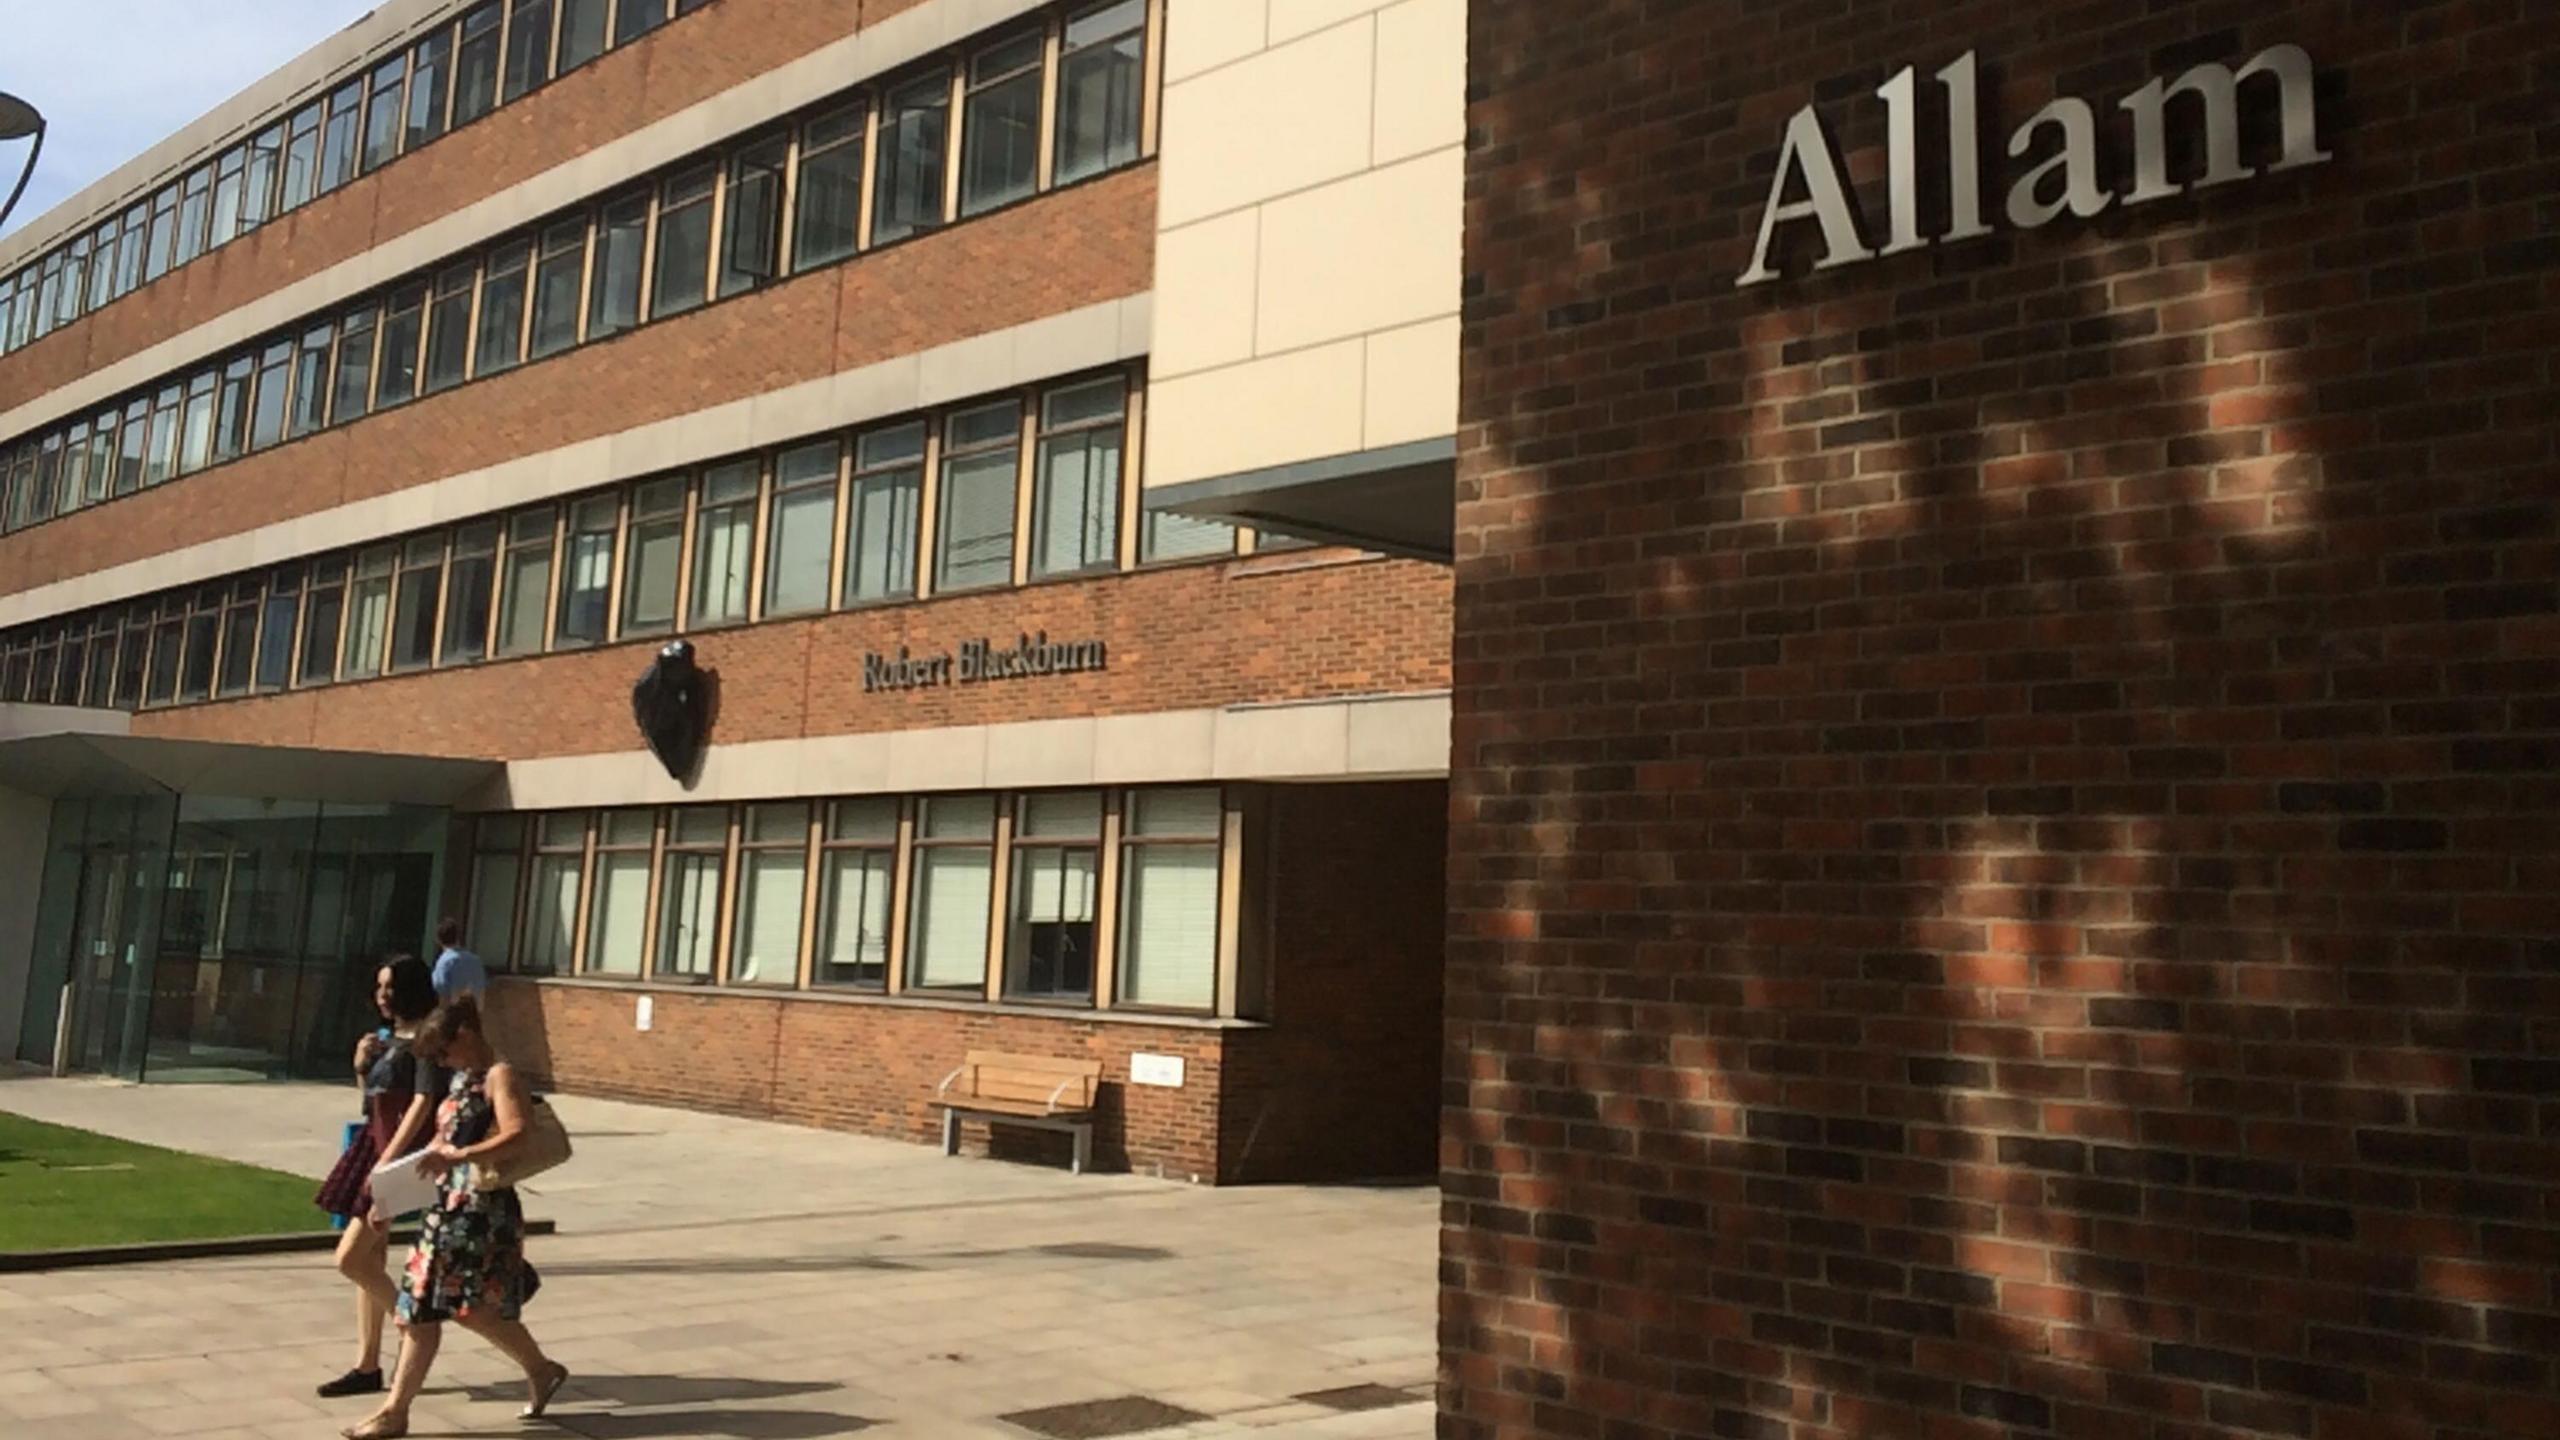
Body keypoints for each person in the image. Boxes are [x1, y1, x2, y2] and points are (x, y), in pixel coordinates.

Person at [343, 994, 567, 1440]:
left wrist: (460, 1155)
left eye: (444, 1051)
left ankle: (540, 1370)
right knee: (424, 1310)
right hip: (447, 1208)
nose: (443, 1061)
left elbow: (517, 1134)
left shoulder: (499, 1076)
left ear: (464, 1036)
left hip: (481, 1213)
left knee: (471, 1311)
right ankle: (396, 1412)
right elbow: (439, 1150)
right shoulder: (464, 1078)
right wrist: (387, 1199)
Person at [310, 955, 443, 1400]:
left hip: (396, 1156)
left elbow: (424, 1102)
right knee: (371, 1260)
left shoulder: (426, 1038)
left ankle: (412, 1326)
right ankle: (368, 1364)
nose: (381, 995)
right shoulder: (391, 1039)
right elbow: (372, 1102)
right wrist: (361, 1065)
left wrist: (389, 1160)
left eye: (389, 987)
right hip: (373, 1145)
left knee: (349, 1257)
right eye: (378, 987)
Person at [429, 917, 486, 1000]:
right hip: (473, 1010)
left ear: (438, 940)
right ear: (458, 937)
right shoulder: (476, 960)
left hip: (453, 1010)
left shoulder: (444, 962)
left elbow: (439, 990)